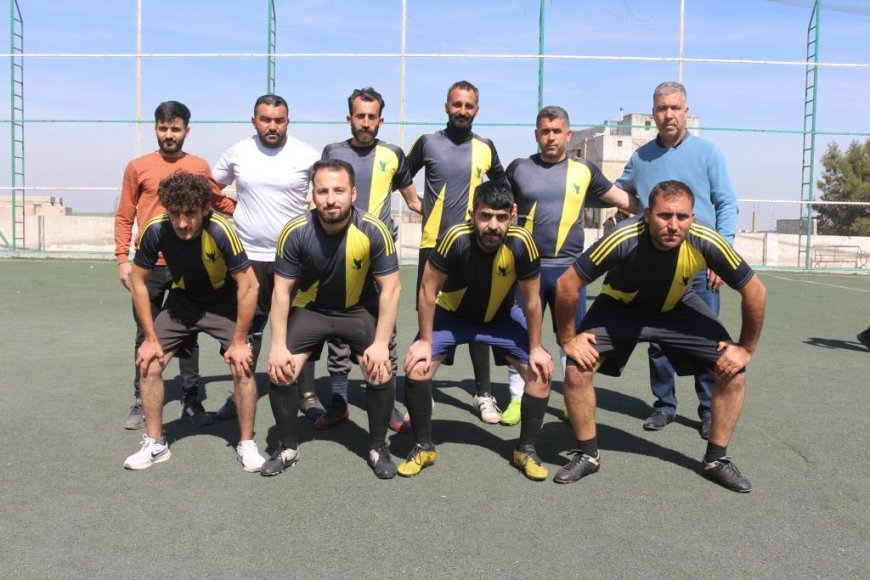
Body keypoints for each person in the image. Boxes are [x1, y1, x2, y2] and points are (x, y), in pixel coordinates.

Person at [554, 180, 766, 492]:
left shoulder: (705, 238)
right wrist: (568, 340)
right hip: (620, 308)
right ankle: (587, 454)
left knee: (734, 373)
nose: (673, 225)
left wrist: (745, 348)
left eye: (682, 217)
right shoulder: (623, 236)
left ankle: (716, 460)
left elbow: (755, 291)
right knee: (576, 370)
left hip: (677, 307)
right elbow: (567, 284)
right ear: (647, 215)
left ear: (692, 218)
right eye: (665, 215)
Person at [399, 180, 554, 480]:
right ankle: (423, 446)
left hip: (501, 319)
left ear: (512, 215)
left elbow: (533, 301)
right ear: (472, 215)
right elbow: (428, 290)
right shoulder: (455, 238)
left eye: (501, 217)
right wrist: (425, 341)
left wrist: (536, 347)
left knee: (540, 373)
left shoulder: (522, 242)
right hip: (452, 317)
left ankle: (525, 449)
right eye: (486, 216)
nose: (493, 225)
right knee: (417, 367)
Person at [263, 159, 402, 479]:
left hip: (357, 311)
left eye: (338, 190)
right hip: (312, 311)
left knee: (380, 370)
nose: (330, 199)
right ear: (313, 194)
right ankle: (287, 447)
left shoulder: (373, 229)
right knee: (281, 372)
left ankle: (378, 447)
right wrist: (278, 345)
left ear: (353, 193)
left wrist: (381, 343)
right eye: (322, 191)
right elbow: (281, 292)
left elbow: (391, 289)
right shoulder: (295, 231)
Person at [615, 81, 738, 439]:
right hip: (655, 264)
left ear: (686, 112)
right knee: (658, 339)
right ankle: (664, 405)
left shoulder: (708, 153)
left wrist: (722, 256)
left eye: (675, 108)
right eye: (661, 108)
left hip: (701, 263)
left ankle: (708, 408)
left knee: (706, 337)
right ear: (653, 113)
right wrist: (617, 213)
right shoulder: (641, 158)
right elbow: (623, 193)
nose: (668, 114)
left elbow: (727, 204)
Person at [502, 105, 637, 425]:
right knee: (520, 334)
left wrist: (655, 211)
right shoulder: (519, 168)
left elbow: (621, 199)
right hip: (526, 270)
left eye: (556, 131)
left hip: (570, 273)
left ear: (568, 134)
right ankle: (517, 398)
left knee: (573, 337)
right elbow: (498, 207)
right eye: (545, 131)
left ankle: (570, 397)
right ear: (536, 134)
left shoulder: (585, 170)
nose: (550, 137)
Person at [123, 170, 265, 472]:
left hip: (222, 302)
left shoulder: (220, 230)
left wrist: (240, 341)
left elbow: (249, 285)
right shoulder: (155, 229)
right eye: (175, 213)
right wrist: (150, 338)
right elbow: (138, 280)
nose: (182, 223)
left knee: (242, 365)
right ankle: (155, 443)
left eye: (190, 213)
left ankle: (247, 443)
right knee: (149, 362)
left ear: (205, 209)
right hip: (183, 302)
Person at [115, 100, 236, 431]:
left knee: (188, 330)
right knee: (146, 331)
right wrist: (122, 258)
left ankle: (191, 399)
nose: (169, 134)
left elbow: (217, 201)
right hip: (150, 264)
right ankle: (141, 399)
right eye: (163, 128)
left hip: (188, 263)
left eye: (175, 128)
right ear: (156, 129)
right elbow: (125, 214)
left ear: (186, 131)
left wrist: (255, 209)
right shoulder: (137, 167)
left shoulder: (198, 166)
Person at [211, 94, 324, 421]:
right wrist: (232, 208)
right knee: (248, 328)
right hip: (250, 257)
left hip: (296, 258)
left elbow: (326, 190)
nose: (272, 126)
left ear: (288, 121)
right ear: (254, 121)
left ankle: (307, 394)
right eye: (265, 119)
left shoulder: (306, 154)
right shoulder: (239, 151)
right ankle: (240, 393)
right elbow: (211, 186)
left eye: (279, 120)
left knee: (301, 326)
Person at [316, 87, 422, 431]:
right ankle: (338, 402)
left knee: (385, 330)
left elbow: (413, 201)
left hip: (379, 259)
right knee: (337, 330)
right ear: (349, 118)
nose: (365, 122)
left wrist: (451, 219)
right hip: (338, 256)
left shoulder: (393, 154)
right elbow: (319, 199)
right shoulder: (333, 152)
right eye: (359, 116)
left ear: (380, 120)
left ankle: (387, 404)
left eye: (371, 116)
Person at [407, 80, 507, 423]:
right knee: (429, 317)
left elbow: (502, 185)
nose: (462, 110)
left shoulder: (486, 147)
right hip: (433, 245)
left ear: (476, 110)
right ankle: (423, 389)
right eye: (457, 104)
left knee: (478, 316)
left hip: (473, 248)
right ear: (446, 107)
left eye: (468, 105)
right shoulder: (427, 142)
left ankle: (484, 393)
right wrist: (415, 202)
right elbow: (402, 174)